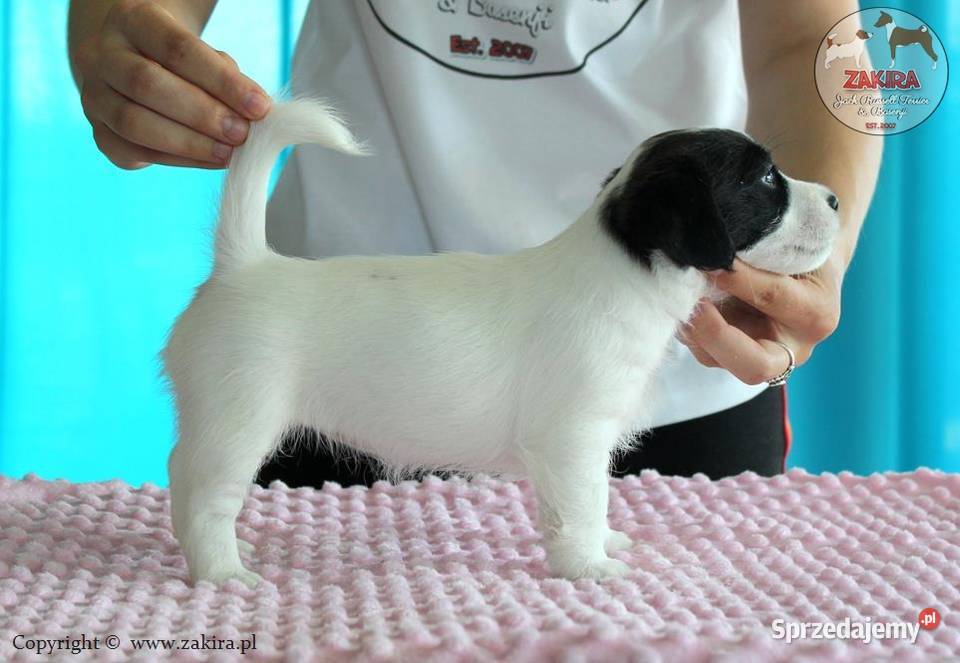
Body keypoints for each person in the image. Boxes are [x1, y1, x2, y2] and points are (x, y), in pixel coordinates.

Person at [68, 0, 881, 486]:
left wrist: (815, 251)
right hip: (342, 345)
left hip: (689, 374)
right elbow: (138, 13)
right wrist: (126, 39)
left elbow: (802, 33)